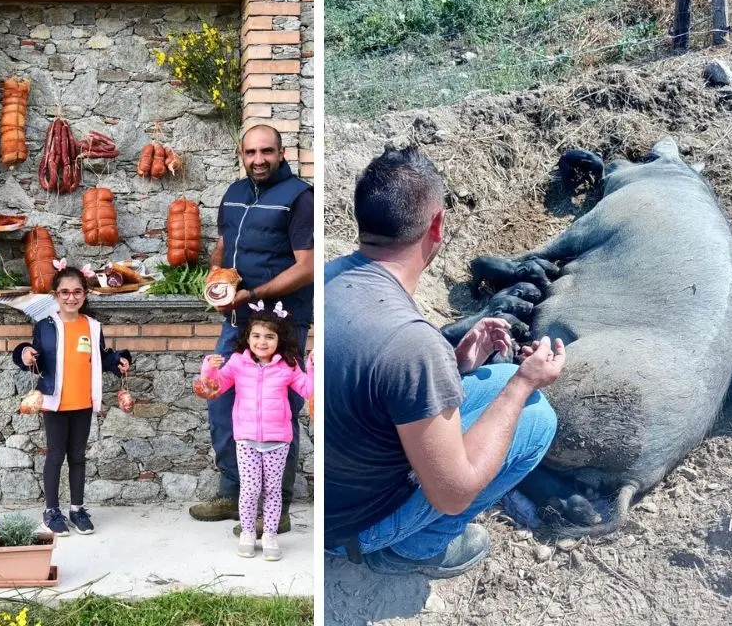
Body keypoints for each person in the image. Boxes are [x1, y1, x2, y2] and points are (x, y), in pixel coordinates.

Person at [324, 145, 564, 578]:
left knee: (500, 375)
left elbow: (374, 388)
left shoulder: (329, 279)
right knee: (535, 417)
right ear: (436, 225)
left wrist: (454, 364)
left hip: (335, 487)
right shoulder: (411, 343)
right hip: (351, 528)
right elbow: (453, 495)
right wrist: (524, 384)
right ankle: (415, 548)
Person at [188, 124, 315, 537]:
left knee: (280, 412)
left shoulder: (299, 197)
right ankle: (233, 493)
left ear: (281, 153)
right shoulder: (234, 193)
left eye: (266, 152)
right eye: (250, 153)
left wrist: (253, 294)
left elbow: (307, 266)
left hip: (282, 322)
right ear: (241, 155)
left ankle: (275, 507)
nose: (258, 159)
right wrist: (216, 276)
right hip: (237, 321)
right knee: (220, 403)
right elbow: (224, 244)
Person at [12, 265, 132, 536]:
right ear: (55, 295)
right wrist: (25, 354)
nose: (71, 297)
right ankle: (51, 512)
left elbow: (101, 357)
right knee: (55, 455)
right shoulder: (45, 326)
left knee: (77, 456)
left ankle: (77, 509)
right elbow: (33, 354)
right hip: (55, 401)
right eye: (64, 292)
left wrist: (120, 361)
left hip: (83, 401)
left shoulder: (91, 326)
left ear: (85, 294)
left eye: (77, 292)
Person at [195, 301, 314, 561]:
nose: (262, 342)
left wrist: (314, 368)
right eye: (257, 336)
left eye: (269, 337)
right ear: (248, 338)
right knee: (249, 489)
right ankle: (248, 532)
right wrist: (210, 368)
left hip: (277, 442)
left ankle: (270, 534)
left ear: (278, 340)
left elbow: (308, 390)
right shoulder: (237, 363)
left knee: (272, 490)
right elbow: (216, 387)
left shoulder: (288, 366)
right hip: (247, 440)